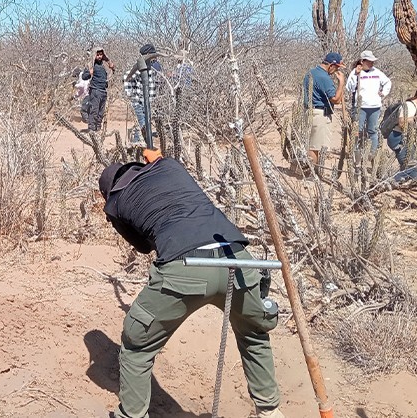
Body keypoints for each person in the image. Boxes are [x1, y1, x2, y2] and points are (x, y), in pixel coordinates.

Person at [99, 148, 284, 418]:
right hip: (237, 256)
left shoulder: (115, 203)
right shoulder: (169, 165)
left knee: (137, 344)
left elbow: (143, 247)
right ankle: (269, 411)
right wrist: (157, 162)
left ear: (108, 192)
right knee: (254, 334)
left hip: (185, 267)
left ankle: (132, 414)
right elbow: (165, 170)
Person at [302, 52, 345, 170]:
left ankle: (310, 170)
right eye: (337, 67)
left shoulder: (310, 73)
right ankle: (312, 173)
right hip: (320, 114)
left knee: (311, 144)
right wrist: (341, 83)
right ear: (331, 65)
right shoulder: (324, 78)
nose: (336, 70)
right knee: (315, 147)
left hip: (309, 112)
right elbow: (336, 99)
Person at [384, 87, 417, 182]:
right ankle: (387, 183)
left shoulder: (415, 107)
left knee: (416, 164)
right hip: (397, 137)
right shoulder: (409, 106)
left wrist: (416, 136)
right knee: (411, 166)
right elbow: (402, 123)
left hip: (403, 137)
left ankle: (409, 184)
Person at [346, 50, 392, 155]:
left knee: (372, 130)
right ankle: (354, 152)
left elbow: (387, 82)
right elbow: (350, 87)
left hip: (374, 106)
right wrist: (356, 74)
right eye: (369, 61)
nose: (372, 63)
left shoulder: (377, 72)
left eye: (372, 61)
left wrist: (384, 92)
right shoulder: (355, 72)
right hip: (360, 106)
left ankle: (372, 153)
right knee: (357, 130)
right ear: (362, 61)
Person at [123, 44, 160, 145]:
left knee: (145, 123)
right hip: (139, 102)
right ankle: (138, 143)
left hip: (149, 101)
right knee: (142, 124)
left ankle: (141, 142)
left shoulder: (152, 68)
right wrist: (131, 95)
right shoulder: (140, 68)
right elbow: (127, 77)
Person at [80, 46, 116, 132]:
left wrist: (111, 65)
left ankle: (98, 130)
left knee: (101, 113)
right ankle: (91, 130)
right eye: (98, 55)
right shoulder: (91, 65)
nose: (99, 56)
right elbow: (84, 76)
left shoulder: (105, 65)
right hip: (95, 90)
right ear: (94, 55)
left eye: (101, 54)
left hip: (103, 91)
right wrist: (90, 72)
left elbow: (112, 72)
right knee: (94, 111)